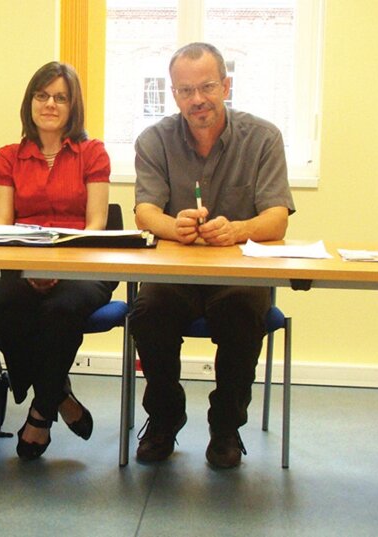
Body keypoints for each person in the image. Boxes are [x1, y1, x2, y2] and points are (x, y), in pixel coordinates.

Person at [129, 42, 295, 469]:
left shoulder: (263, 138)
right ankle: (164, 419)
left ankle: (226, 427)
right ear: (174, 94)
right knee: (146, 310)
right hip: (174, 274)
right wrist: (174, 226)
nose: (197, 99)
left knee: (243, 311)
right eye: (186, 90)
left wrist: (238, 229)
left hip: (237, 275)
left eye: (206, 87)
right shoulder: (154, 140)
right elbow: (146, 211)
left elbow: (276, 219)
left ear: (226, 85)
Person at [0, 62, 116, 461]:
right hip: (23, 263)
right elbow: (2, 227)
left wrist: (57, 269)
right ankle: (59, 394)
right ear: (30, 102)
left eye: (61, 97)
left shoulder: (93, 153)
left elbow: (95, 225)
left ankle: (40, 414)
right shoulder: (8, 157)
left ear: (73, 107)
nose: (50, 104)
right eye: (42, 95)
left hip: (83, 265)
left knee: (61, 309)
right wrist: (31, 268)